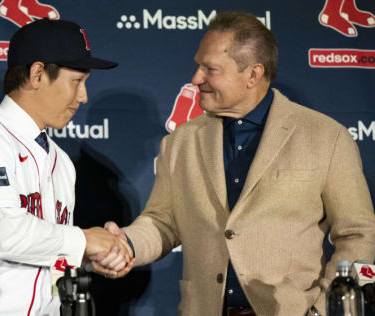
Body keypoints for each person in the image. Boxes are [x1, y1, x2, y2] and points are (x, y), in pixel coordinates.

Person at [102, 11, 375, 316]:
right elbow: (162, 222)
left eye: (211, 69)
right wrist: (127, 243)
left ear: (253, 75)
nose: (196, 79)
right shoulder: (180, 142)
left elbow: (357, 234)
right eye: (197, 66)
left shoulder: (326, 137)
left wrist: (323, 308)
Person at [0, 19, 133, 316]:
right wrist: (84, 240)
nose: (84, 96)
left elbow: (45, 250)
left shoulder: (60, 161)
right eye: (77, 81)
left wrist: (86, 258)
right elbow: (2, 234)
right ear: (37, 74)